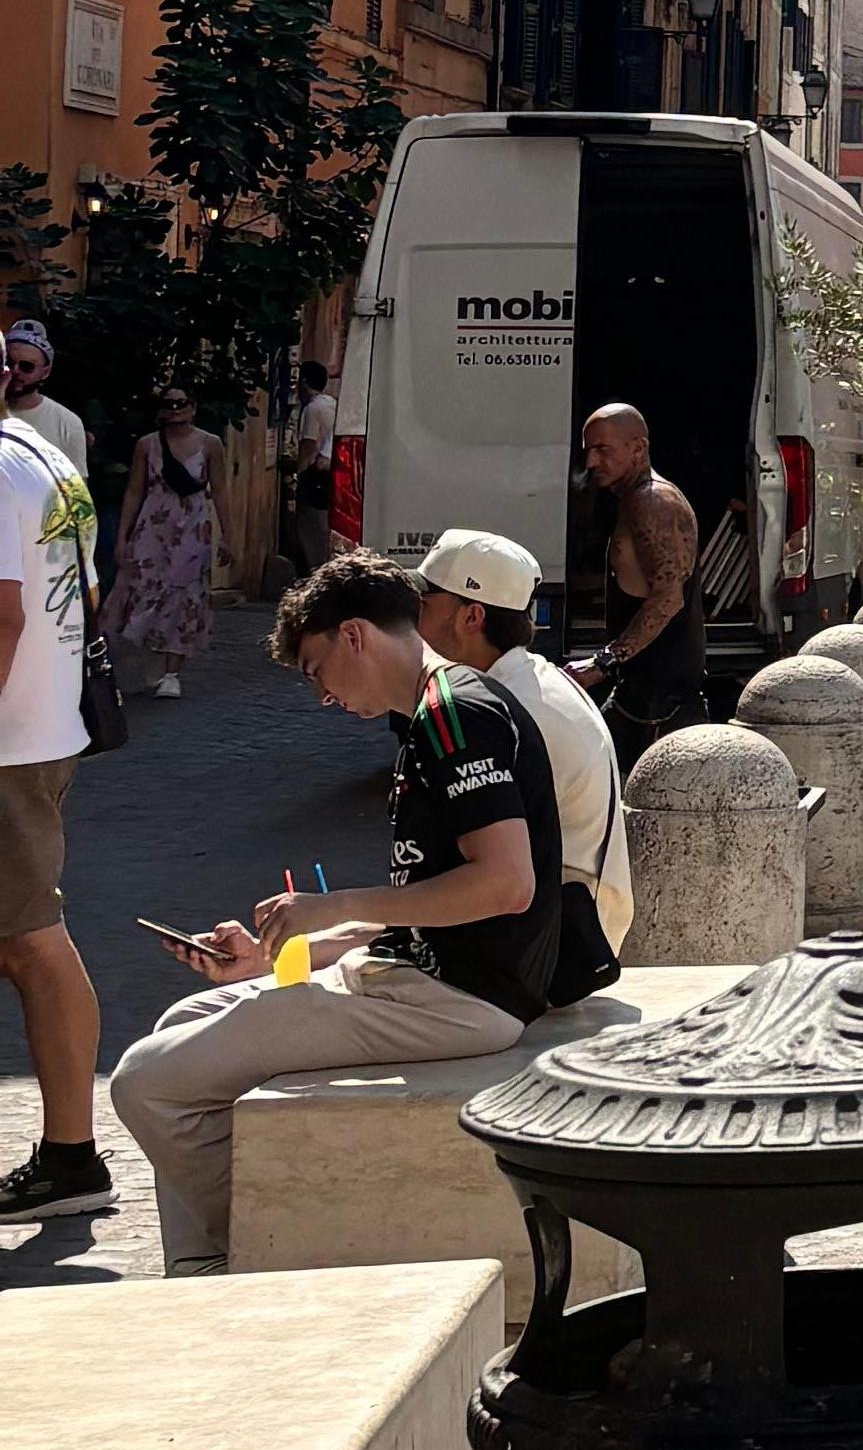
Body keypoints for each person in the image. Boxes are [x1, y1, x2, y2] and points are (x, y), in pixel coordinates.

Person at [108, 552, 566, 1277]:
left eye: (317, 670)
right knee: (180, 1024)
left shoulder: (455, 716)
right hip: (419, 979)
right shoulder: (433, 712)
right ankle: (199, 1265)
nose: (321, 694)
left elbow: (506, 886)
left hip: (460, 1001)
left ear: (354, 635)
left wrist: (335, 905)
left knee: (143, 1080)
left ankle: (254, 1252)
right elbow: (428, 906)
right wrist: (287, 949)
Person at [415, 528, 630, 1001]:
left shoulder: (505, 706)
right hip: (563, 923)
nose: (413, 620)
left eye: (425, 603)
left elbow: (495, 876)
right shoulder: (529, 680)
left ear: (471, 616)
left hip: (556, 951)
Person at [0, 379, 105, 1224]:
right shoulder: (40, 454)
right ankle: (70, 1155)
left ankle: (73, 1157)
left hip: (11, 746)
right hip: (44, 727)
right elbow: (84, 593)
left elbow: (2, 618)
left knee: (31, 941)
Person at [577, 402, 709, 744]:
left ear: (638, 448)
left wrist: (603, 661)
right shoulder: (635, 500)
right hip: (642, 696)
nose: (591, 462)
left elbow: (668, 598)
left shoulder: (653, 501)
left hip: (660, 704)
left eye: (602, 449)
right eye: (588, 451)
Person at [103, 388, 224, 703]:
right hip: (153, 527)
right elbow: (134, 490)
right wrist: (123, 536)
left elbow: (221, 490)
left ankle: (172, 673)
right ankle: (145, 656)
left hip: (193, 529)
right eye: (168, 404)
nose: (174, 409)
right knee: (142, 589)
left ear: (193, 407)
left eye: (181, 403)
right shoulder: (148, 445)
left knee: (185, 596)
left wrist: (228, 534)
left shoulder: (210, 444)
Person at [3, 316, 89, 485]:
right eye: (9, 363)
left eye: (27, 366)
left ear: (45, 371)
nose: (15, 371)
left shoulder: (66, 423)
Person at [280, 364, 337, 572]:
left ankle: (314, 570)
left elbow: (309, 445)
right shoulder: (332, 404)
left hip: (315, 477)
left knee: (309, 529)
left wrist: (298, 471)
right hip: (332, 474)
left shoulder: (312, 409)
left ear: (303, 382)